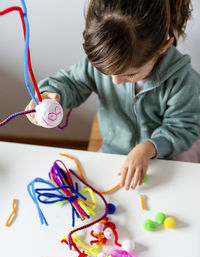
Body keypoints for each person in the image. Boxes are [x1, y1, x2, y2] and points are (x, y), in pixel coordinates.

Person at [25, 0, 200, 190]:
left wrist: (148, 148)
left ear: (162, 47)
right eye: (107, 73)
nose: (115, 81)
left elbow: (182, 128)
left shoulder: (183, 80)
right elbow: (73, 82)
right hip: (115, 152)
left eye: (130, 74)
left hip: (167, 154)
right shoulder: (104, 61)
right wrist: (52, 94)